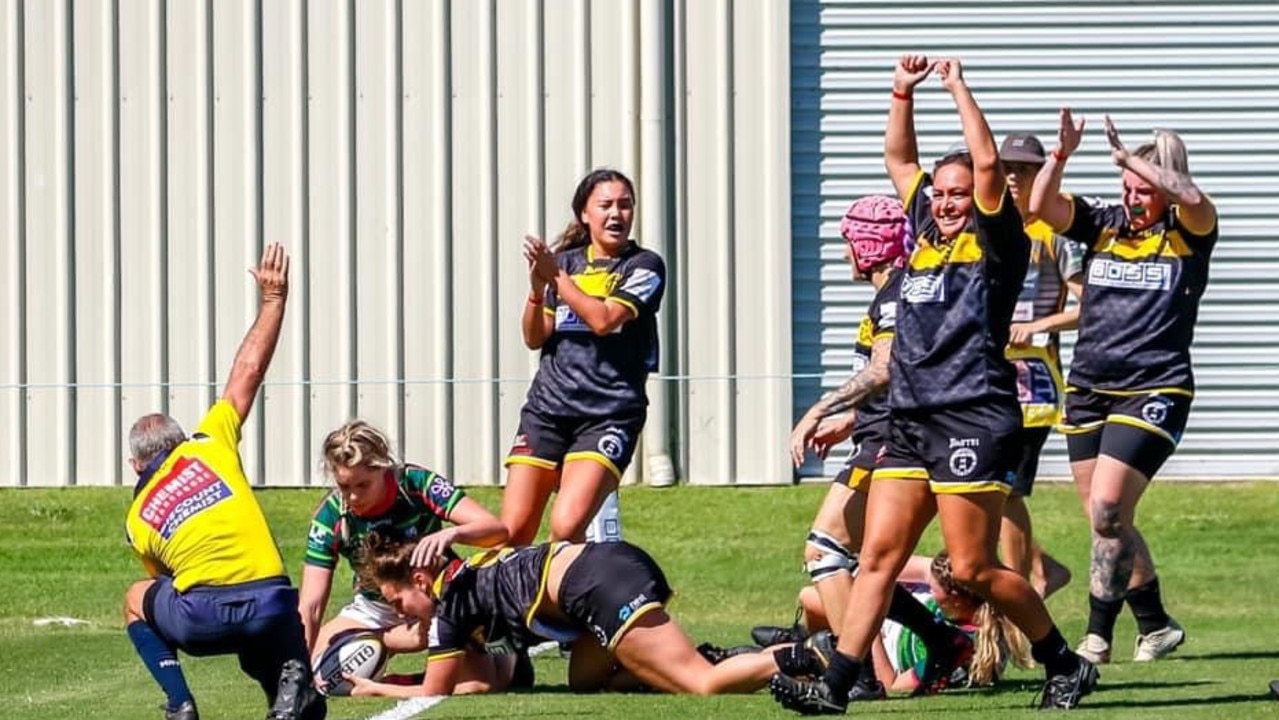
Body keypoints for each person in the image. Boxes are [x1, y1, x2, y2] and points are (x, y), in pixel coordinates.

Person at [770, 55, 1097, 715]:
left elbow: (982, 164)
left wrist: (955, 87)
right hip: (910, 421)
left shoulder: (998, 239)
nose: (944, 202)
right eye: (937, 194)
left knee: (972, 568)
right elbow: (898, 159)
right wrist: (899, 92)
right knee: (878, 559)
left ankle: (1063, 663)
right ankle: (835, 689)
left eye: (955, 193)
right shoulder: (922, 234)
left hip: (973, 417)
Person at [1030, 109, 1217, 664]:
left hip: (1155, 386)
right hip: (1089, 388)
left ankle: (1096, 637)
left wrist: (1133, 159)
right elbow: (1042, 207)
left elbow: (1193, 197)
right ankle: (1156, 624)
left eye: (1144, 189)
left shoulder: (1189, 231)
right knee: (1104, 518)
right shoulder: (1105, 224)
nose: (1134, 198)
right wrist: (1059, 157)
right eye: (1127, 187)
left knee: (1109, 510)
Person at [781, 194, 973, 701]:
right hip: (877, 435)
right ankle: (941, 639)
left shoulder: (892, 295)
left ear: (869, 243)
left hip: (892, 445)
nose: (846, 252)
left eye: (849, 241)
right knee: (869, 563)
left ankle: (862, 672)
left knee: (824, 550)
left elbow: (886, 367)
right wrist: (852, 418)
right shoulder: (888, 293)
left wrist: (819, 409)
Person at [123, 243, 324, 720]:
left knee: (135, 599)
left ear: (135, 465)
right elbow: (248, 371)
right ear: (180, 439)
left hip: (201, 618)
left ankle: (180, 704)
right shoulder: (210, 441)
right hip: (273, 601)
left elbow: (167, 584)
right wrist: (274, 300)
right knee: (290, 681)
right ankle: (295, 682)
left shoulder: (138, 515)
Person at [342, 532, 832, 697]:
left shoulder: (452, 606)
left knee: (700, 686)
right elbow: (482, 680)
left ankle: (805, 654)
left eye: (398, 600)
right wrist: (396, 653)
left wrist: (373, 686)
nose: (399, 612)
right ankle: (709, 657)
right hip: (602, 571)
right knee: (583, 680)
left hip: (595, 584)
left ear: (421, 581)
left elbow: (437, 691)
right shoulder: (463, 585)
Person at [502, 168, 666, 544]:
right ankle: (518, 602)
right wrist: (536, 289)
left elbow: (604, 320)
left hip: (608, 413)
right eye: (605, 205)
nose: (616, 214)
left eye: (625, 205)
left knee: (566, 527)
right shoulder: (567, 261)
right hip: (547, 410)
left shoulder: (645, 266)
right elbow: (534, 337)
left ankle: (569, 600)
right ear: (584, 215)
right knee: (513, 533)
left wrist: (555, 276)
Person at [298, 420, 511, 691]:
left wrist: (450, 535)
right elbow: (312, 605)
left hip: (435, 600)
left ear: (382, 468)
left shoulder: (416, 484)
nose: (352, 497)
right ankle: (389, 649)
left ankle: (496, 655)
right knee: (322, 674)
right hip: (375, 608)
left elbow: (496, 531)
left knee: (486, 683)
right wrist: (300, 666)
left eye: (362, 485)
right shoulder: (332, 516)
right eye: (343, 486)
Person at [996, 131, 1084, 599]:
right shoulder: (990, 224)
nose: (1013, 178)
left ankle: (1024, 585)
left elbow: (1089, 305)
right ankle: (1043, 569)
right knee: (988, 487)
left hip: (1033, 385)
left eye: (1024, 170)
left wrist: (1038, 325)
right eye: (1007, 168)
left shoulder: (1054, 233)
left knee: (1007, 490)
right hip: (989, 375)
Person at [750, 553, 1030, 693]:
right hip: (882, 623)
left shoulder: (966, 646)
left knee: (808, 602)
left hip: (882, 651)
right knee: (813, 593)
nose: (932, 589)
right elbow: (879, 567)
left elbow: (892, 683)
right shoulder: (953, 590)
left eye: (938, 590)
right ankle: (807, 642)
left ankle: (810, 648)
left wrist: (867, 629)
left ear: (957, 598)